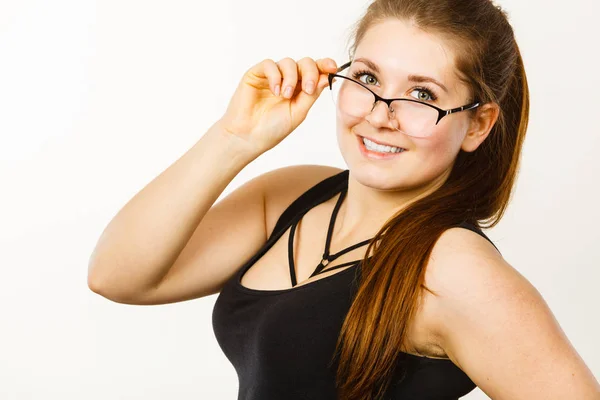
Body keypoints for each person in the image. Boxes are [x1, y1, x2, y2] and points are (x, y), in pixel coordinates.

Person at [88, 0, 600, 398]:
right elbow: (117, 276)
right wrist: (234, 138)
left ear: (478, 124)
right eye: (369, 78)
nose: (380, 114)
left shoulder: (456, 270)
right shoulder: (292, 194)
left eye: (422, 95)